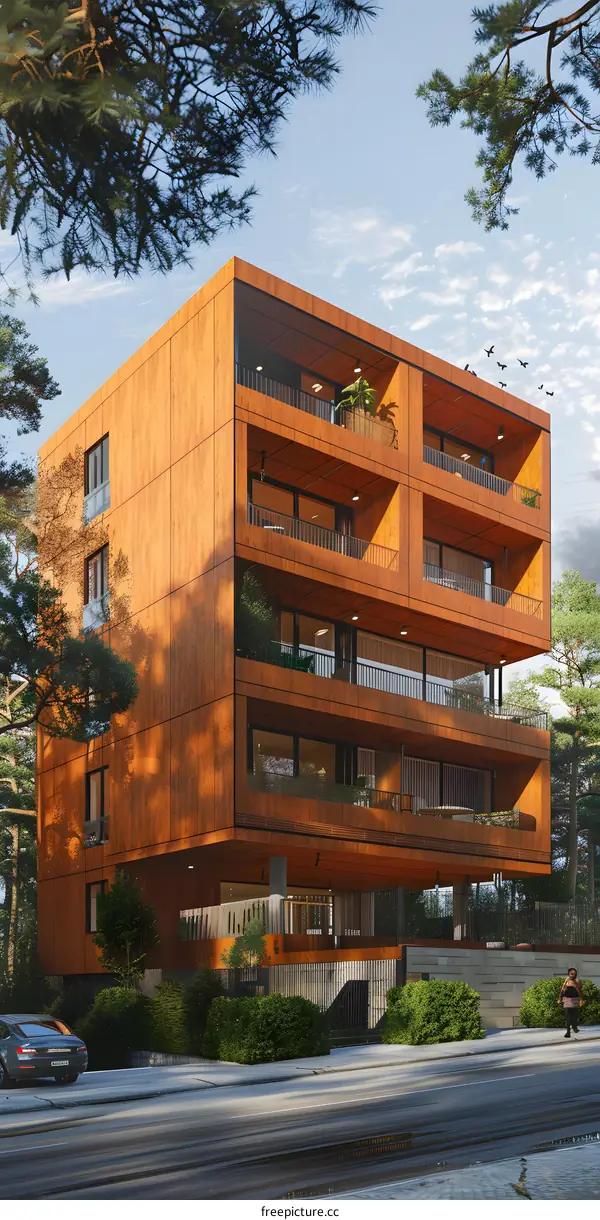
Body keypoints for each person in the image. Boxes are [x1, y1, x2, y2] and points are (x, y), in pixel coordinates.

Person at [558, 967, 584, 1037]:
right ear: (568, 974)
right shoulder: (566, 980)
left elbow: (580, 991)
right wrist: (560, 998)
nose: (573, 975)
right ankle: (568, 1031)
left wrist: (581, 1000)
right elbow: (562, 989)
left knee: (574, 1016)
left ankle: (574, 1027)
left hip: (575, 1000)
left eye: (574, 974)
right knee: (568, 1017)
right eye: (571, 974)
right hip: (567, 1000)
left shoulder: (578, 981)